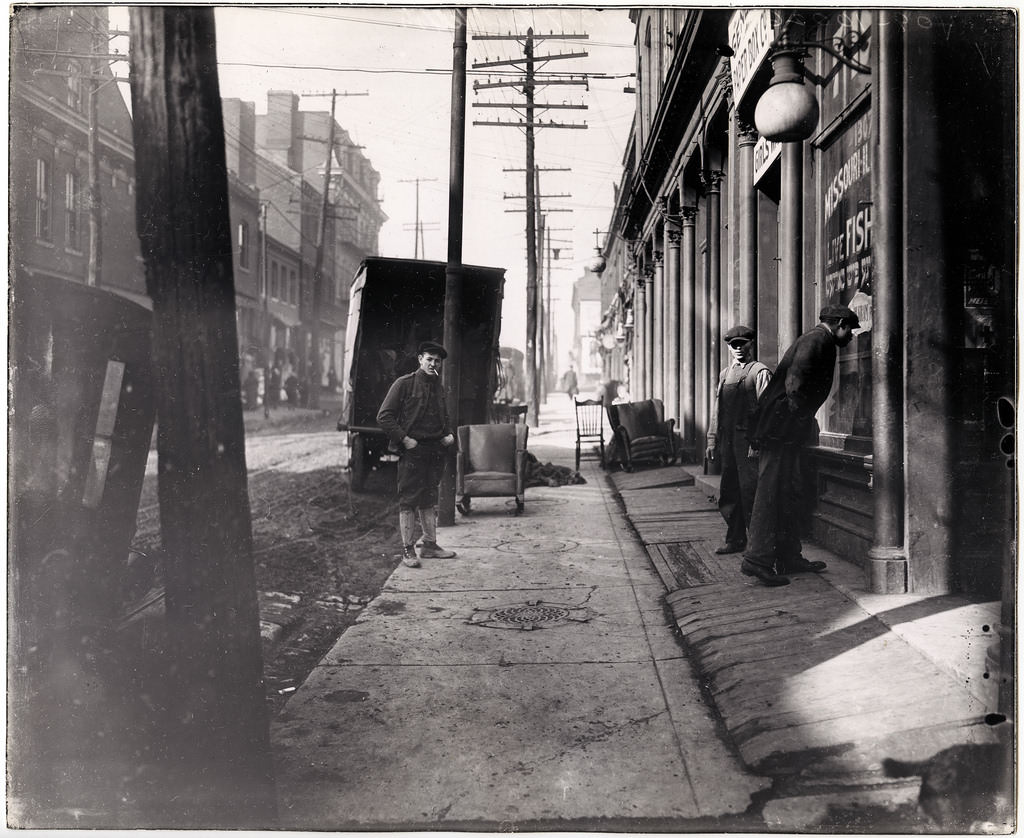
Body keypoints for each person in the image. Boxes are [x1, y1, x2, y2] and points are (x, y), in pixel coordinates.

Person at [741, 305, 860, 587]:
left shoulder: (818, 339)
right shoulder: (818, 341)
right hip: (781, 431)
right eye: (850, 330)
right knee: (771, 493)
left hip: (784, 430)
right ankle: (756, 561)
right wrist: (796, 424)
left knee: (787, 491)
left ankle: (789, 556)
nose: (851, 337)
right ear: (840, 324)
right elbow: (794, 387)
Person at [377, 341, 457, 568]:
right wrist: (404, 439)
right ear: (420, 359)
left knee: (429, 498)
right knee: (409, 500)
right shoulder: (404, 384)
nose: (433, 363)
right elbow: (384, 417)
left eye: (437, 360)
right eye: (429, 359)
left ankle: (430, 546)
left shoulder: (438, 386)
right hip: (413, 450)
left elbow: (444, 415)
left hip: (435, 450)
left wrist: (448, 433)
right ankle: (407, 551)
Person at [706, 325, 772, 555]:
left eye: (742, 343)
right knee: (729, 492)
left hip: (750, 443)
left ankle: (757, 545)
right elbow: (717, 411)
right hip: (729, 441)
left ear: (751, 344)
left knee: (751, 492)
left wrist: (759, 443)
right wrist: (711, 441)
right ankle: (735, 540)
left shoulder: (760, 372)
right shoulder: (725, 375)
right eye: (734, 345)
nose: (738, 349)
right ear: (729, 347)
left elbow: (767, 412)